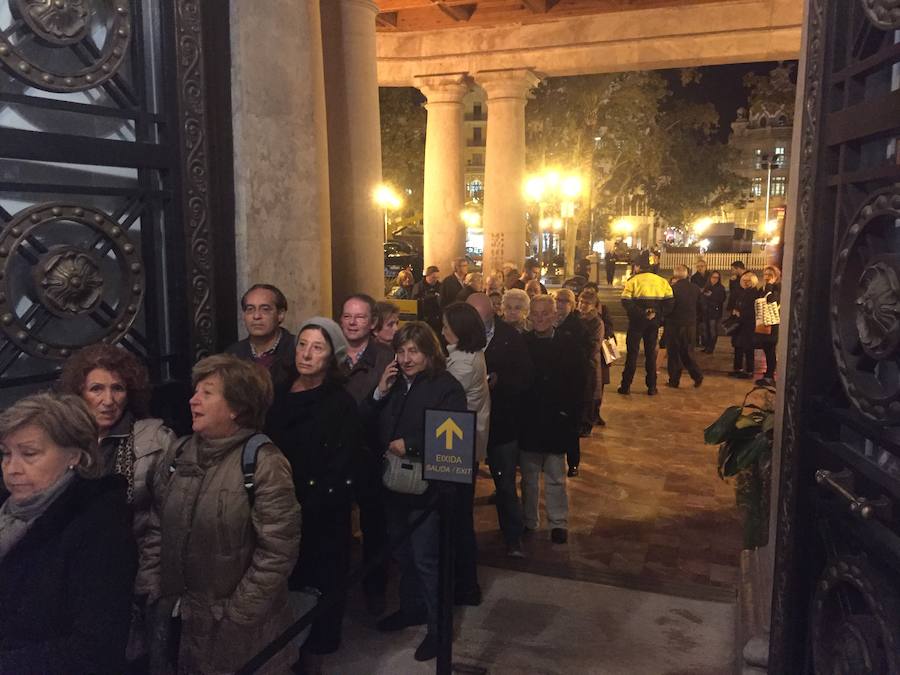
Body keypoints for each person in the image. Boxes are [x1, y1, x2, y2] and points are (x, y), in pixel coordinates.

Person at [149, 355, 301, 674]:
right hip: (180, 617)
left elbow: (277, 550)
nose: (193, 400)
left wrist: (238, 614)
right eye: (195, 391)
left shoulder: (263, 463)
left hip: (241, 631)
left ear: (236, 407)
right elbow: (157, 526)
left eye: (207, 392)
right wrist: (152, 587)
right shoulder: (178, 452)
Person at [0, 393, 137, 674]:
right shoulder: (8, 511)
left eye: (29, 454)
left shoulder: (98, 526)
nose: (12, 469)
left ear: (74, 455)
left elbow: (95, 649)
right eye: (5, 454)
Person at [58, 344, 176, 664]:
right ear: (79, 392)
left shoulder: (153, 440)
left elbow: (164, 520)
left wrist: (149, 581)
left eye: (118, 388)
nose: (108, 400)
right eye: (97, 388)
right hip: (71, 575)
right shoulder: (61, 439)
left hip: (130, 575)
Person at [366, 322, 467, 663]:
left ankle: (439, 631)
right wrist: (379, 391)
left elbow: (453, 434)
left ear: (429, 353)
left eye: (414, 351)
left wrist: (410, 445)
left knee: (427, 559)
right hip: (393, 485)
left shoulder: (446, 387)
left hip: (427, 490)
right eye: (401, 351)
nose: (406, 358)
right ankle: (411, 609)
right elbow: (366, 419)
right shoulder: (394, 382)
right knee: (403, 554)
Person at [266, 318, 361, 668]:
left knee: (316, 586)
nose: (306, 354)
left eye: (317, 347)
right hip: (275, 505)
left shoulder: (339, 405)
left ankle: (312, 658)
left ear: (331, 357)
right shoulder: (279, 391)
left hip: (318, 511)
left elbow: (340, 464)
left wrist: (309, 503)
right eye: (302, 345)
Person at [338, 294, 394, 615]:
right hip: (339, 453)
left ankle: (375, 590)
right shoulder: (332, 357)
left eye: (359, 317)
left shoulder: (386, 358)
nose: (353, 322)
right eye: (347, 316)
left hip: (371, 452)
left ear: (372, 322)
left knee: (375, 526)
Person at [520, 295, 584, 545]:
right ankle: (529, 520)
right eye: (534, 314)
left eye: (545, 314)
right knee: (528, 477)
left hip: (557, 419)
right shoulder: (523, 342)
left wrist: (569, 414)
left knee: (556, 476)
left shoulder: (569, 344)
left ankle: (558, 522)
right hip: (529, 419)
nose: (539, 319)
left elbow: (579, 382)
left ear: (556, 316)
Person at [442, 302, 490, 606]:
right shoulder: (468, 355)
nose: (442, 329)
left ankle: (465, 585)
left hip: (457, 448)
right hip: (466, 443)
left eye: (447, 324)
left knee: (457, 520)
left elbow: (443, 398)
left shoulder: (462, 363)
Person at [618, 251, 674, 395]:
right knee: (650, 354)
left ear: (637, 267)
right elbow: (670, 303)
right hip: (653, 324)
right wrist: (657, 315)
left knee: (632, 354)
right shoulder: (662, 281)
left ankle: (626, 386)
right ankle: (652, 387)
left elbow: (626, 301)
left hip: (636, 323)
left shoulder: (633, 281)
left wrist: (642, 314)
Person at [226, 283, 297, 389]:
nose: (256, 316)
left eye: (265, 309)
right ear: (244, 315)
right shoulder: (233, 355)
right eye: (250, 309)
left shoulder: (298, 350)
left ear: (280, 315)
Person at [555, 288, 593, 474]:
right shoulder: (550, 322)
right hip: (555, 381)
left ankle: (573, 463)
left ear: (571, 304)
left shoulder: (578, 327)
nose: (560, 304)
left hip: (572, 382)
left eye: (564, 301)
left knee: (571, 427)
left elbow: (585, 355)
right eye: (558, 300)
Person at [575, 288, 608, 440]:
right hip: (579, 363)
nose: (582, 305)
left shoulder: (596, 322)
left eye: (586, 303)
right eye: (581, 302)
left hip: (589, 363)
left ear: (594, 305)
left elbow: (594, 345)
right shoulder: (576, 318)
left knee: (590, 394)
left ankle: (587, 424)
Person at [666, 265, 704, 389]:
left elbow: (669, 308)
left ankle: (674, 380)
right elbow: (701, 307)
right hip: (690, 325)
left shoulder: (672, 289)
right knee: (687, 352)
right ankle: (697, 375)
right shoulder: (695, 289)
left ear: (675, 274)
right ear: (687, 274)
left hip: (674, 324)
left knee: (674, 354)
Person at [730, 271, 762, 379]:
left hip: (748, 324)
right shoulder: (743, 292)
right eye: (744, 280)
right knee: (738, 347)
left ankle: (749, 371)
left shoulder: (754, 293)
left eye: (748, 281)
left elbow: (753, 310)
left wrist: (741, 313)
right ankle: (737, 369)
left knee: (748, 348)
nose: (746, 282)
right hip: (740, 324)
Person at [755, 265, 782, 386]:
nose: (766, 277)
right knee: (766, 347)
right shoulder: (764, 288)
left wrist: (770, 286)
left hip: (773, 322)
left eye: (769, 275)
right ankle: (767, 375)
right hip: (764, 321)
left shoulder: (777, 288)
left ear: (776, 276)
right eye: (765, 274)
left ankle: (770, 376)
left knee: (771, 348)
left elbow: (772, 300)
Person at [700, 270, 727, 353]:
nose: (715, 279)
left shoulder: (720, 288)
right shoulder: (706, 286)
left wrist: (710, 296)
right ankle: (707, 346)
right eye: (713, 277)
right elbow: (702, 298)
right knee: (705, 330)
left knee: (712, 330)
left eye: (717, 278)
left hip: (714, 312)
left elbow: (721, 299)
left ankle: (711, 347)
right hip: (705, 311)